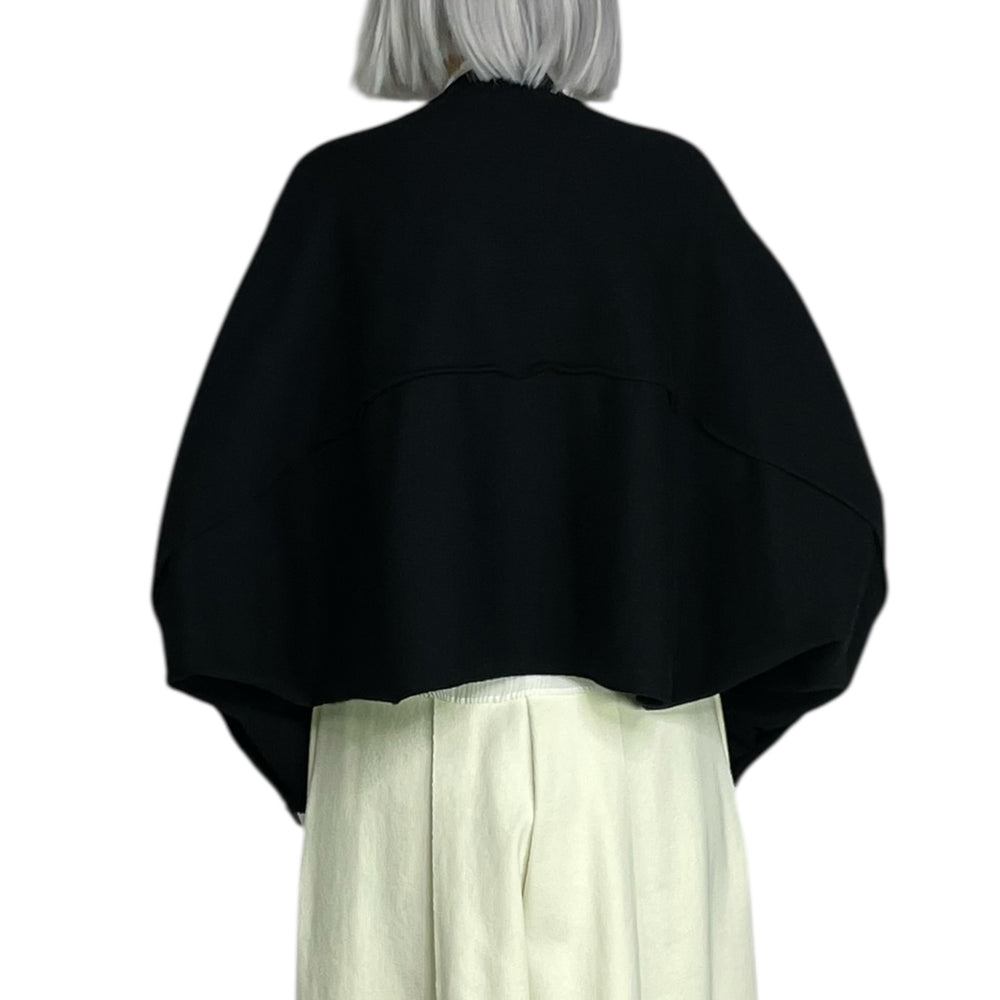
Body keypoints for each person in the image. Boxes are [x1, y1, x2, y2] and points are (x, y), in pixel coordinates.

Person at [150, 1, 888, 996]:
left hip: (395, 764)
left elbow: (213, 555)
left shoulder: (345, 198)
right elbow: (828, 532)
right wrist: (703, 725)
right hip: (641, 767)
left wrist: (322, 759)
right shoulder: (668, 194)